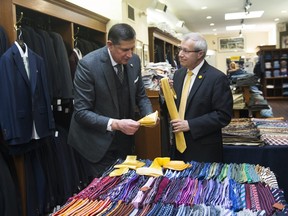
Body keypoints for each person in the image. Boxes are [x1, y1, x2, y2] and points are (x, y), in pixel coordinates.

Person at [68, 23, 154, 180]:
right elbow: (81, 112)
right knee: (104, 192)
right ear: (110, 45)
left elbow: (141, 95)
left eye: (132, 48)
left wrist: (149, 114)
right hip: (95, 143)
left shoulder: (134, 61)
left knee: (124, 187)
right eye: (124, 50)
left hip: (124, 142)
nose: (130, 54)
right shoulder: (88, 65)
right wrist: (116, 124)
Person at [161, 32, 233, 163]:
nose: (180, 54)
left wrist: (190, 125)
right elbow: (177, 106)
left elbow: (223, 115)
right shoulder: (178, 75)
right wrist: (166, 92)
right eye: (180, 49)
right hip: (177, 148)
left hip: (203, 150)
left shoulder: (216, 78)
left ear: (200, 54)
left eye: (186, 51)